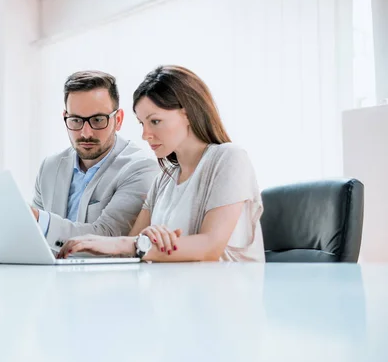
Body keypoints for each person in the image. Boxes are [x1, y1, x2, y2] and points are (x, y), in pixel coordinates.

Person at [58, 65, 265, 262]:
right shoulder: (163, 180)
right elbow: (132, 250)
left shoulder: (229, 158)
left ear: (187, 114)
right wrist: (138, 240)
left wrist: (137, 243)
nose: (145, 134)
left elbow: (209, 247)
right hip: (175, 293)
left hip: (226, 294)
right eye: (142, 123)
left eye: (155, 121)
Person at [0, 70, 158, 255]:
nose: (86, 133)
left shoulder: (141, 168)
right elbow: (35, 239)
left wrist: (37, 219)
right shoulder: (49, 167)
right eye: (76, 120)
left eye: (98, 120)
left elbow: (109, 237)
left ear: (118, 119)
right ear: (65, 117)